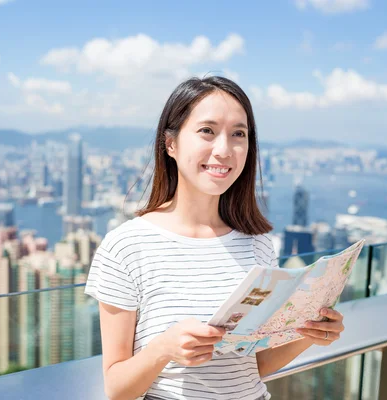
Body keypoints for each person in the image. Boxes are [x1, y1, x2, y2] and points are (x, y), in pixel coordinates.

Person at [84, 76, 345, 400]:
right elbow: (116, 389)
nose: (224, 150)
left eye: (238, 134)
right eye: (207, 131)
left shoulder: (258, 244)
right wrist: (163, 349)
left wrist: (309, 334)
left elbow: (254, 365)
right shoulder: (126, 247)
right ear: (171, 144)